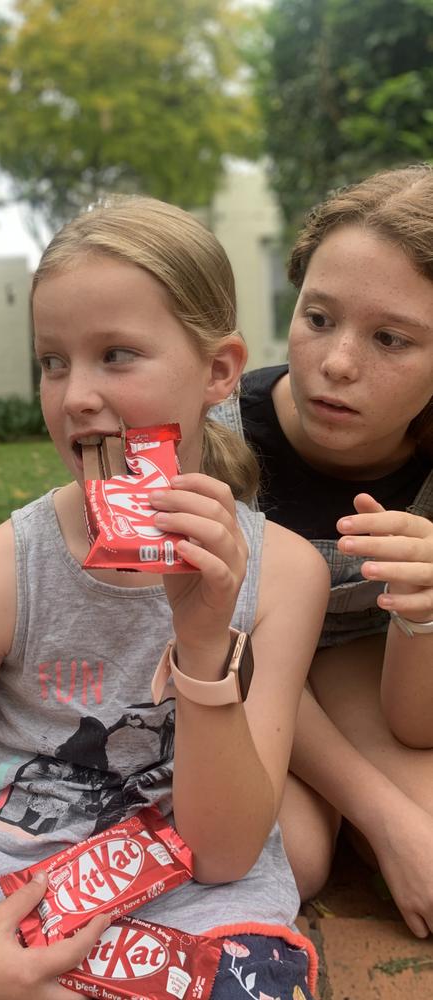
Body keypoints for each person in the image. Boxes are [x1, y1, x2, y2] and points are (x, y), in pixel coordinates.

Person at [0, 196, 330, 1000]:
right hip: (25, 885)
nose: (77, 394)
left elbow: (224, 852)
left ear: (220, 370)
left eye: (117, 355)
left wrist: (200, 641)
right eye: (55, 361)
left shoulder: (285, 575)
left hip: (206, 895)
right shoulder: (0, 573)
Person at [211, 164, 433, 937]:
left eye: (390, 339)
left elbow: (415, 722)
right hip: (230, 666)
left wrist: (423, 613)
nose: (338, 362)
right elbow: (232, 656)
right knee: (298, 851)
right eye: (318, 318)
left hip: (359, 662)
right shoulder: (217, 440)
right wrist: (386, 819)